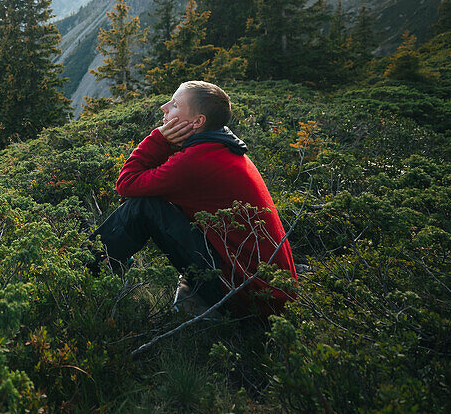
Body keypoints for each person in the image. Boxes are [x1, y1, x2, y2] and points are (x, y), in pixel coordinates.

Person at [91, 80, 297, 314]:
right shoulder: (222, 149)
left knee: (144, 206)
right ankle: (109, 262)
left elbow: (126, 183)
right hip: (267, 291)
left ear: (198, 122)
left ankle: (87, 271)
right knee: (154, 201)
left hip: (246, 295)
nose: (164, 107)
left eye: (175, 105)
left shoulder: (197, 161)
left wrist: (159, 139)